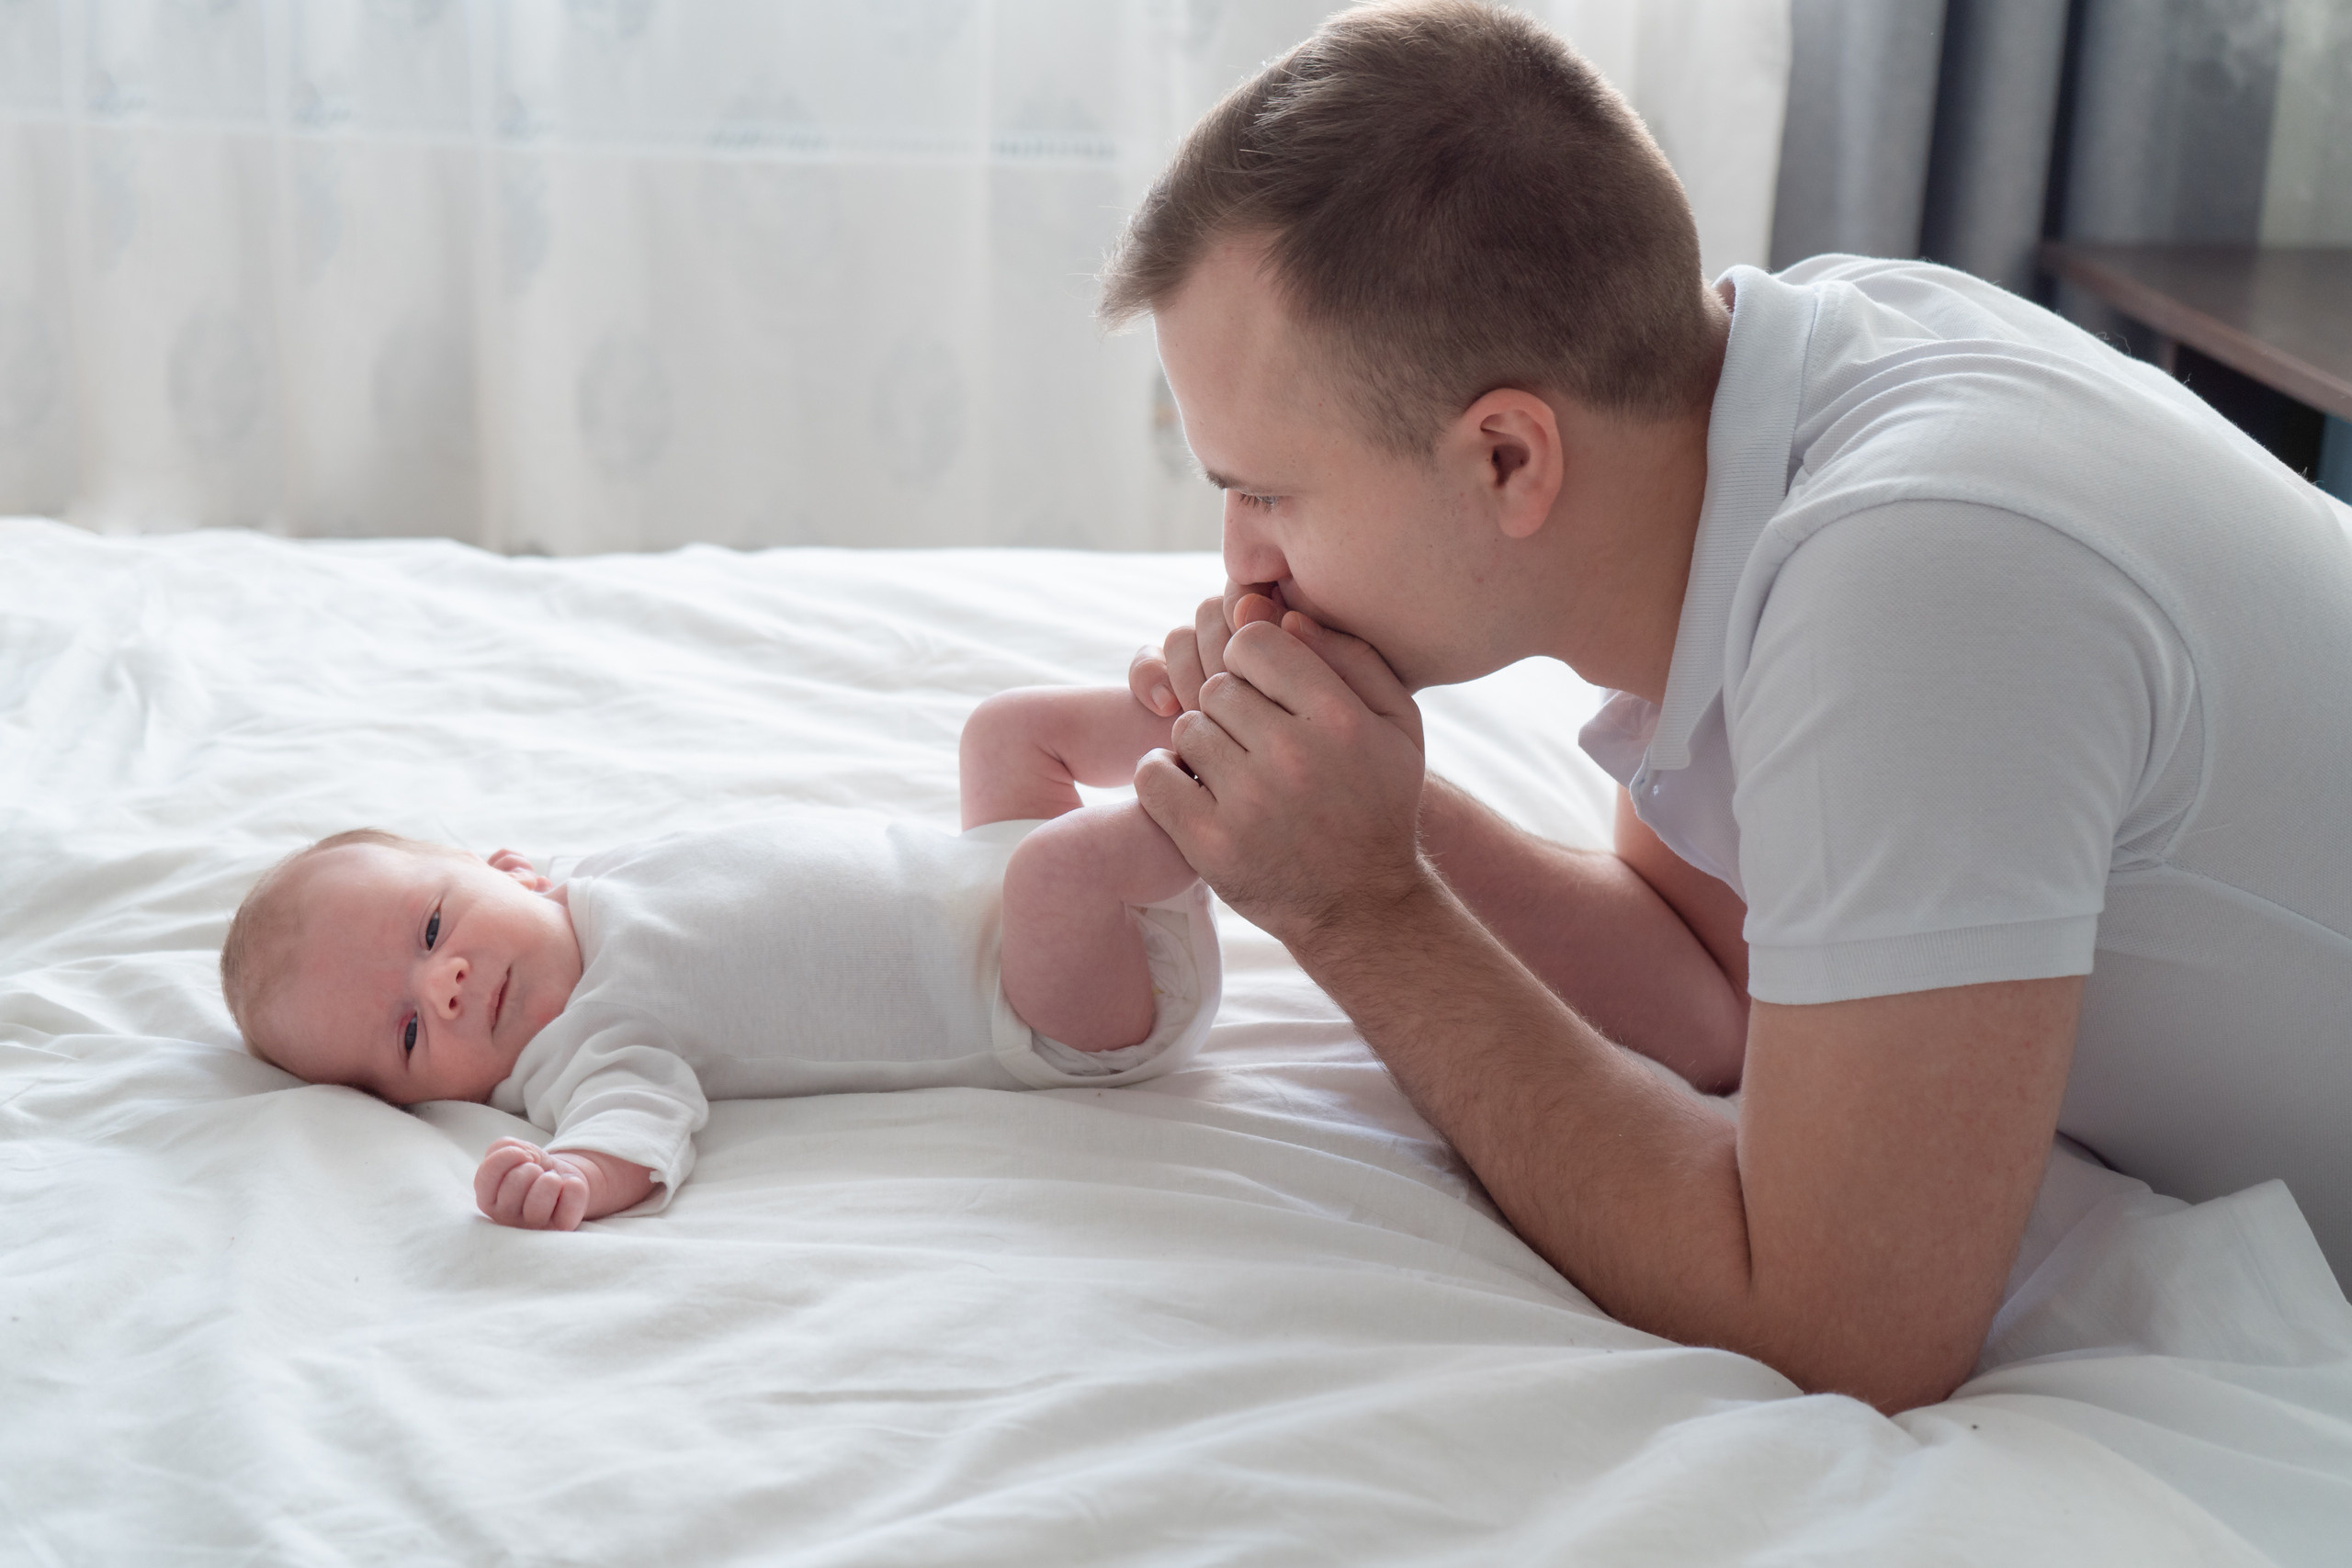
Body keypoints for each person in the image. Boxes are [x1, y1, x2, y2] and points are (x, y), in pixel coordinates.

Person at [1109, 0, 2352, 1414]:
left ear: (1509, 457)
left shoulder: (1911, 583)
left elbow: (1846, 1327)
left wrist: (1360, 911)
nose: (1243, 562)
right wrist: (1330, 801)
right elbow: (1710, 984)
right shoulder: (1754, 411)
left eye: (1265, 493)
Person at [218, 686, 1218, 1230]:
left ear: (509, 868)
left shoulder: (587, 884)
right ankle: (1234, 802)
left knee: (1003, 733)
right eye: (406, 1032)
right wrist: (573, 1176)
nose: (443, 985)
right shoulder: (584, 1046)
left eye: (432, 929)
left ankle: (1207, 705)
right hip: (1053, 1004)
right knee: (1058, 873)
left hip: (990, 864)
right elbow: (634, 1131)